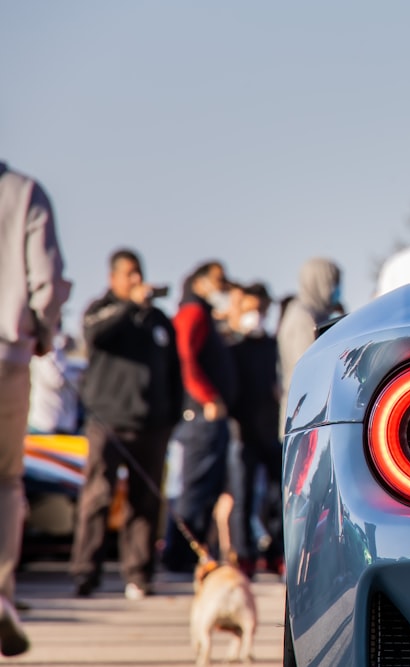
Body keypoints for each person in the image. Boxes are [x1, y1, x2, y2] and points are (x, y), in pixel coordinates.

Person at [70, 249, 182, 600]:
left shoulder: (158, 320)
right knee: (98, 498)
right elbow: (96, 335)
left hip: (152, 425)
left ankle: (139, 574)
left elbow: (175, 372)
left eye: (139, 273)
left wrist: (172, 416)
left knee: (144, 503)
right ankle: (85, 573)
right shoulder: (101, 310)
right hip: (108, 422)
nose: (136, 280)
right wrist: (128, 305)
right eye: (129, 274)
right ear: (114, 278)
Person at [0, 162, 70, 656]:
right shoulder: (24, 193)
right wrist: (41, 334)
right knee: (5, 480)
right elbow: (45, 280)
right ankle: (0, 596)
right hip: (5, 356)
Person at [160, 261, 235, 573]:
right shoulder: (191, 312)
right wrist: (208, 397)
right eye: (218, 280)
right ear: (201, 282)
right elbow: (185, 358)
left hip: (209, 418)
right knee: (193, 489)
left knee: (206, 489)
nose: (223, 286)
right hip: (200, 416)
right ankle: (178, 557)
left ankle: (189, 555)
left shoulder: (203, 313)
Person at [225, 283, 283, 577]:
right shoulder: (232, 348)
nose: (255, 315)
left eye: (260, 310)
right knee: (242, 497)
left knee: (278, 497)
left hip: (271, 432)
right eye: (250, 309)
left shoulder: (275, 346)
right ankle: (243, 556)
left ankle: (276, 554)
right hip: (242, 433)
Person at [277, 258, 341, 431]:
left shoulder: (317, 314)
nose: (336, 289)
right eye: (332, 282)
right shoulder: (303, 317)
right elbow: (307, 369)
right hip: (304, 413)